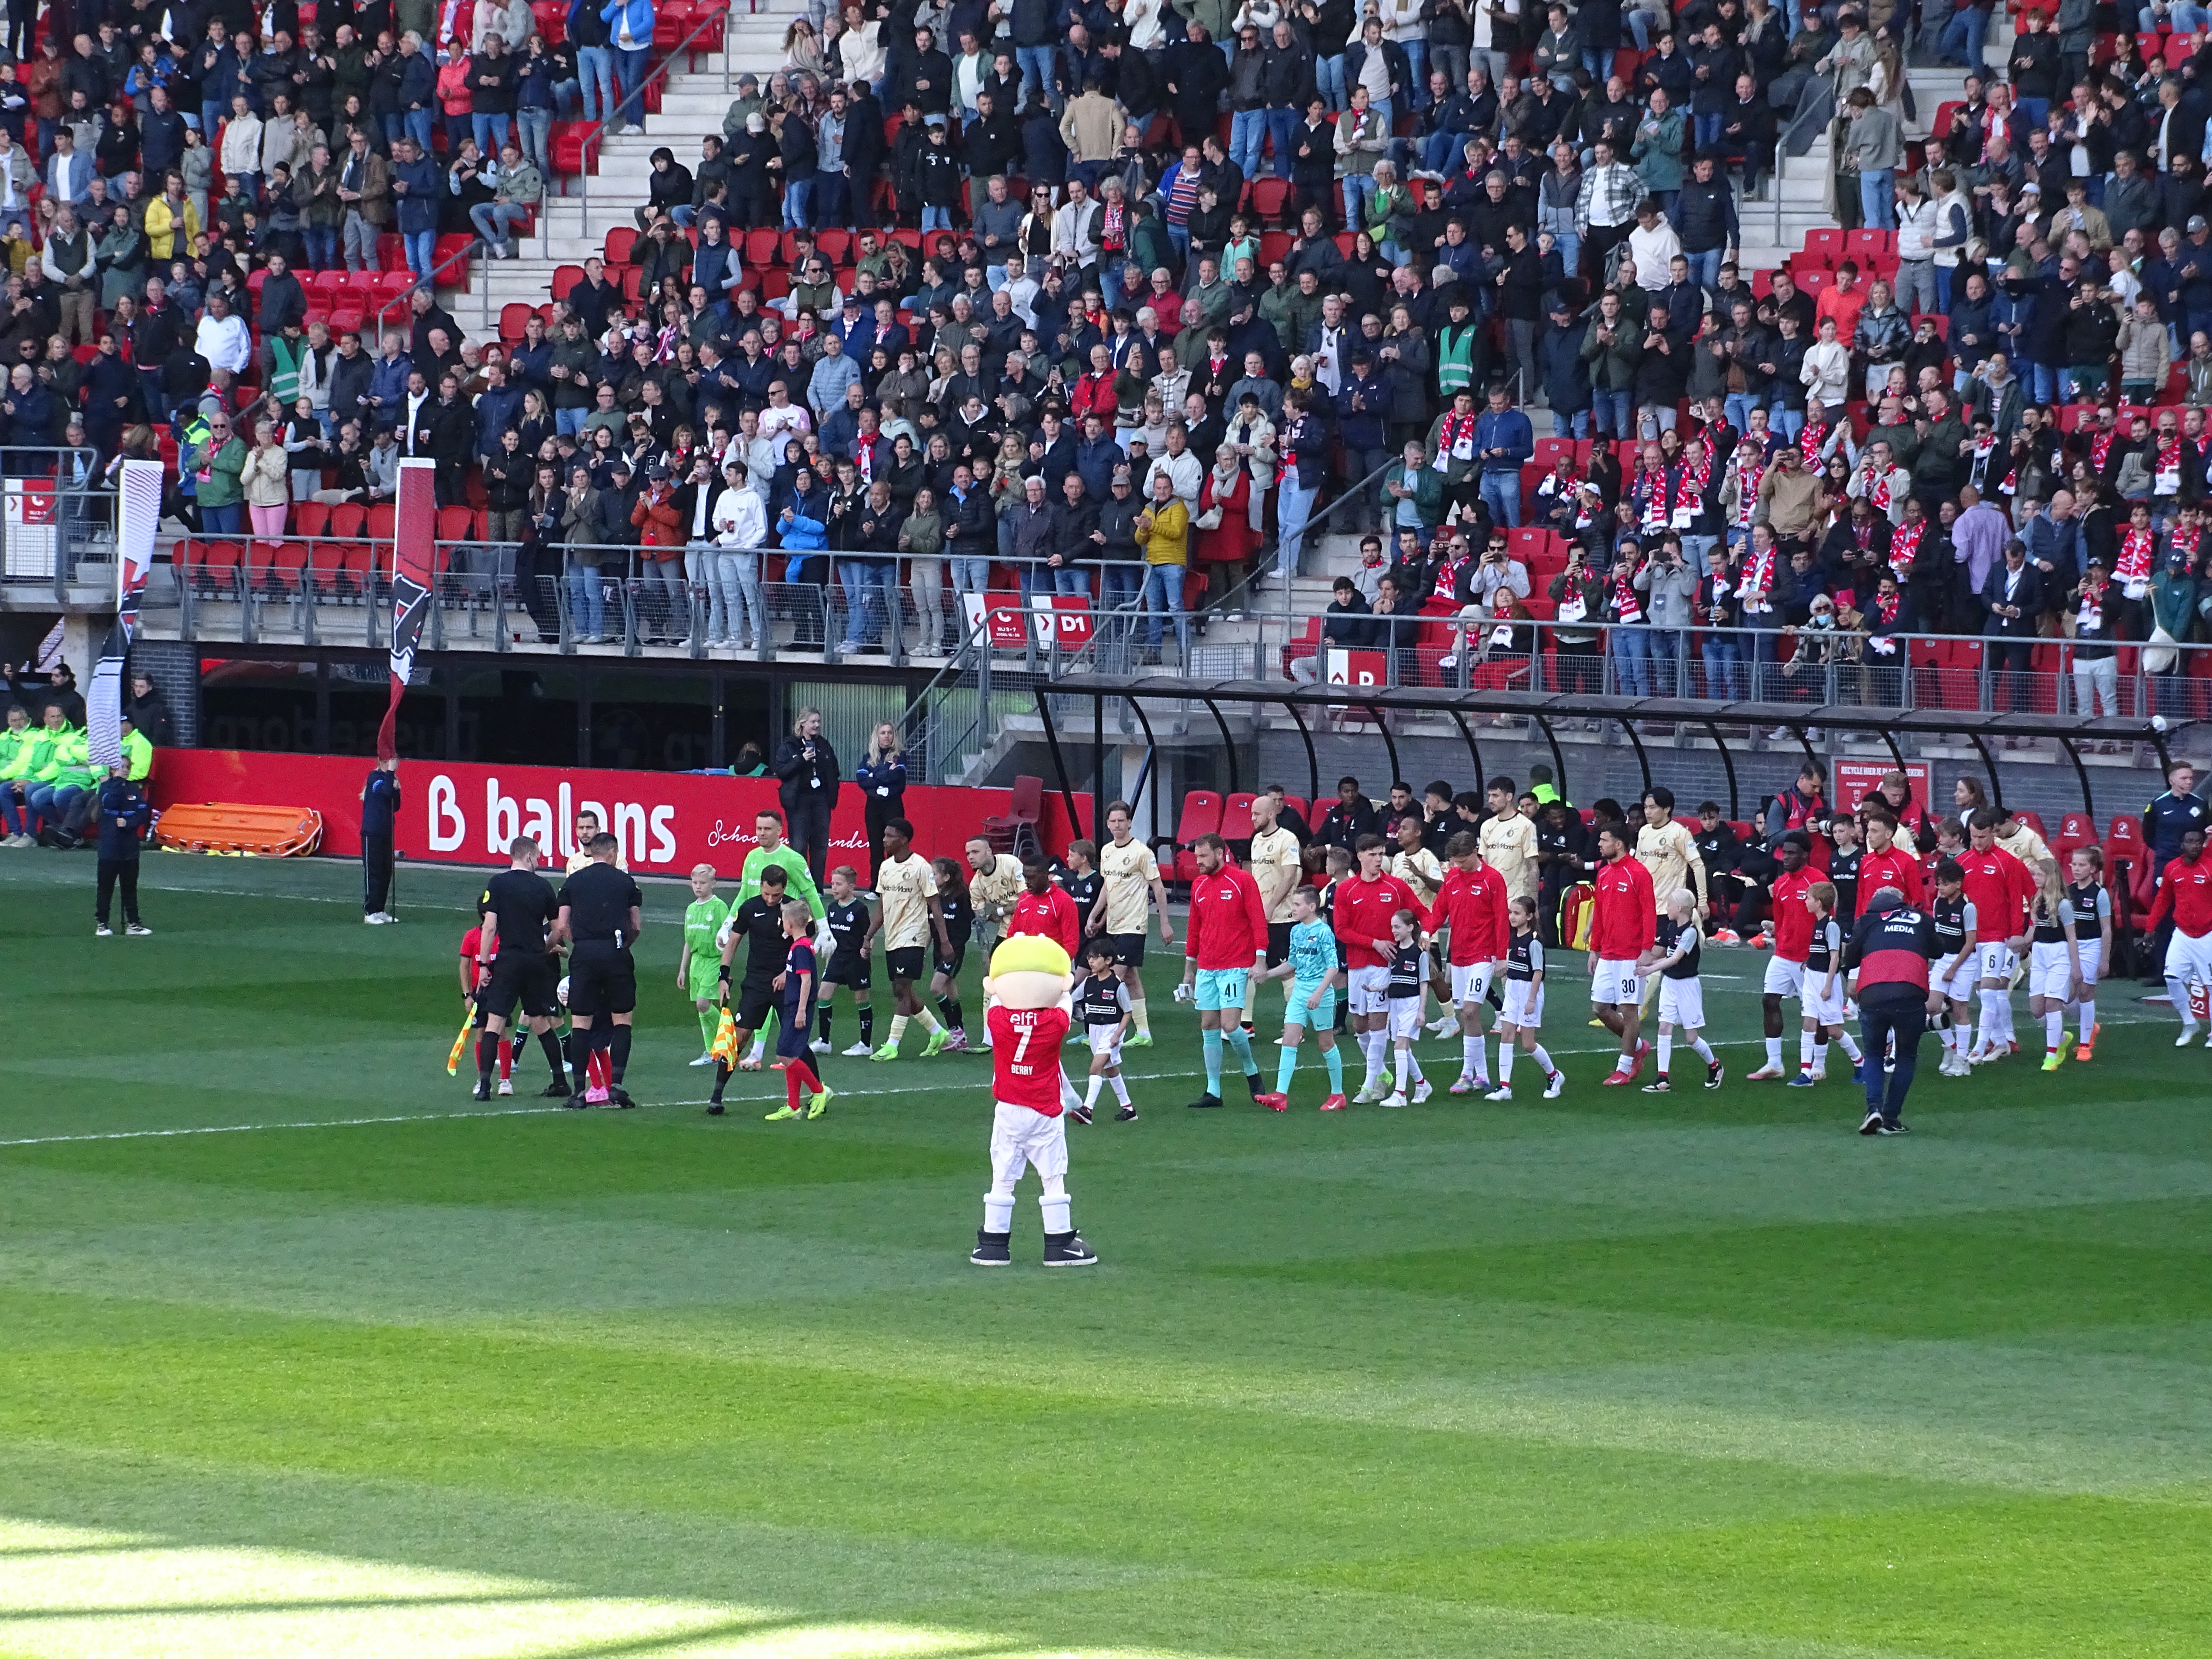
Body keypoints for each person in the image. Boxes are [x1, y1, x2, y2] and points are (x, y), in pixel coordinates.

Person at [970, 934, 1097, 1268]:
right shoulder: (1054, 1023)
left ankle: (992, 1245)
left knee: (1003, 1177)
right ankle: (1059, 1243)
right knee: (1053, 1177)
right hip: (1044, 1110)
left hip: (1009, 1110)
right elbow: (1064, 1001)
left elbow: (996, 1000)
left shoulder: (996, 1021)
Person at [1176, 832, 1272, 1111]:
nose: (1199, 862)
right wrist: (1189, 970)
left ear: (1220, 853)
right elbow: (1194, 929)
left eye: (1203, 856)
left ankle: (1252, 1072)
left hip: (1235, 966)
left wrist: (1260, 959)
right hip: (1207, 966)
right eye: (1197, 857)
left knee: (1230, 1026)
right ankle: (1213, 1091)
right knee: (1208, 1025)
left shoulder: (1242, 881)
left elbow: (1258, 922)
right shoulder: (1199, 886)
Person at [557, 830, 645, 1108]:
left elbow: (562, 925)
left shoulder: (573, 882)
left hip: (584, 954)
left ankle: (579, 1093)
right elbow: (636, 925)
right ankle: (617, 1086)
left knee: (581, 1022)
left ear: (592, 852)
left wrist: (582, 943)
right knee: (622, 1020)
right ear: (612, 853)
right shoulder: (625, 882)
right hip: (616, 952)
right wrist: (622, 945)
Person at [1843, 884, 1939, 1135]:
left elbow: (1850, 959)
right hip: (1910, 992)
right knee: (1906, 1056)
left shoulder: (1867, 920)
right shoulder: (1923, 919)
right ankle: (1891, 1118)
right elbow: (1939, 950)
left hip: (1873, 993)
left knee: (1873, 1053)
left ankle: (1873, 1108)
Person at [1336, 832, 1424, 1105]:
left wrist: (1427, 934)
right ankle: (1388, 1076)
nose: (1378, 859)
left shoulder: (1396, 887)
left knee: (1377, 1026)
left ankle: (1369, 1085)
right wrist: (1374, 942)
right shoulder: (1346, 889)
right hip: (1358, 966)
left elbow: (1421, 912)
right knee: (1360, 1026)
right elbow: (1341, 931)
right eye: (1372, 854)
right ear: (1359, 856)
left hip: (1386, 968)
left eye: (1381, 854)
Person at [473, 835, 562, 1103]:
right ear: (527, 856)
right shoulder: (544, 886)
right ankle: (560, 1081)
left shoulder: (498, 884)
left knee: (495, 1022)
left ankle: (486, 1085)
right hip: (536, 962)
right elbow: (558, 930)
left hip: (509, 961)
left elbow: (489, 928)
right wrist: (544, 950)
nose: (539, 860)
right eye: (537, 856)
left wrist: (484, 964)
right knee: (540, 1021)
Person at [1423, 829, 1509, 1096]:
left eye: (1463, 860)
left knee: (1471, 1011)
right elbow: (1440, 909)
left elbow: (1501, 918)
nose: (1458, 865)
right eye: (1455, 861)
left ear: (1475, 852)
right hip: (1458, 955)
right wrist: (1427, 932)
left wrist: (1502, 957)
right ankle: (1481, 1075)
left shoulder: (1492, 879)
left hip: (1482, 955)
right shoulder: (1452, 878)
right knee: (1466, 1015)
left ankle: (1465, 1073)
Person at [707, 863, 796, 1112]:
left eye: (776, 895)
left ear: (784, 889)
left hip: (785, 982)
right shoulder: (750, 908)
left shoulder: (792, 910)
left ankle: (817, 1092)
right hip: (756, 983)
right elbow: (733, 941)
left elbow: (803, 944)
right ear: (761, 887)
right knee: (739, 1037)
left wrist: (788, 973)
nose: (770, 899)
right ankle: (717, 1095)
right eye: (767, 893)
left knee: (794, 1040)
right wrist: (723, 976)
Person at [869, 818, 954, 1059]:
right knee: (901, 989)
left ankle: (892, 1045)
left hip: (914, 935)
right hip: (893, 936)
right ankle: (938, 1032)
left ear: (904, 839)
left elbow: (934, 905)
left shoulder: (921, 867)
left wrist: (944, 941)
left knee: (902, 987)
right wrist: (869, 935)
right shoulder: (885, 867)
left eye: (889, 836)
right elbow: (882, 905)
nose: (884, 839)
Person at [1090, 800, 1171, 1046]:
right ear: (1108, 824)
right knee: (1131, 979)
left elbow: (1157, 886)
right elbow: (1107, 886)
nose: (1117, 825)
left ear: (1129, 823)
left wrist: (1165, 922)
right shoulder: (1106, 851)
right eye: (1113, 821)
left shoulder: (1142, 853)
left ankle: (1109, 1032)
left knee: (1111, 977)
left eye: (1121, 821)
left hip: (1134, 925)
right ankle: (1144, 1034)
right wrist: (1095, 915)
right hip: (1113, 924)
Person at [1958, 808, 2035, 1064]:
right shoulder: (1963, 863)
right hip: (1971, 939)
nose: (1977, 841)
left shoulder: (2008, 862)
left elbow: (2021, 900)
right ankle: (2003, 1041)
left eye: (1982, 836)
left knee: (1992, 992)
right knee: (1982, 992)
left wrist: (2018, 934)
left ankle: (1979, 1047)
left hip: (1998, 937)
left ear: (1993, 833)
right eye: (1973, 837)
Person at [1263, 884, 1347, 1112]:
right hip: (1300, 993)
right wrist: (1267, 975)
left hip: (1319, 995)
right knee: (1290, 1041)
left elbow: (1333, 966)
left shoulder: (1323, 932)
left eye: (1297, 904)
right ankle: (1280, 1095)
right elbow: (1293, 963)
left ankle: (1338, 1095)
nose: (1293, 909)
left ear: (1312, 907)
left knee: (1326, 1043)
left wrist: (1319, 993)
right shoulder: (1296, 931)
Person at [1589, 821, 1657, 1083]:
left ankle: (1624, 1067)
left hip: (1631, 956)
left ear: (1618, 844)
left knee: (1630, 1011)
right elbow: (1601, 916)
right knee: (1600, 1009)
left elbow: (1649, 913)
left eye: (1604, 840)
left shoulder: (1638, 873)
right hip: (1608, 954)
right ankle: (1639, 1047)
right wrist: (1594, 950)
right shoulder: (1604, 874)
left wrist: (1646, 949)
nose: (1599, 844)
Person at [1746, 832, 1817, 1080]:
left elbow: (1828, 920)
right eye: (1783, 853)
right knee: (1769, 1001)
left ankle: (1818, 1064)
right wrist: (1776, 936)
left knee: (1813, 1011)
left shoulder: (1818, 883)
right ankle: (1774, 1063)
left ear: (1805, 855)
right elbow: (1781, 919)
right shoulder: (1781, 884)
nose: (1785, 858)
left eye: (1791, 853)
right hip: (1783, 954)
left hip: (1809, 958)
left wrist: (1817, 953)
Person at [1638, 887, 1720, 1093]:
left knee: (1691, 1038)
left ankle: (1715, 1066)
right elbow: (1662, 951)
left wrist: (1649, 969)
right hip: (1670, 984)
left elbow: (1674, 959)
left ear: (1680, 908)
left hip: (1687, 987)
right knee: (1664, 1028)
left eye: (1669, 905)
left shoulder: (1690, 932)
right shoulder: (1671, 927)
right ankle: (1662, 1078)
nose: (1667, 909)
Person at [1487, 895, 1566, 1100]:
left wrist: (1531, 1000)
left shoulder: (1533, 942)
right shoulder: (1512, 937)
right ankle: (1505, 1087)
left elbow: (1538, 972)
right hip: (1512, 990)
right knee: (1506, 1035)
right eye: (1511, 913)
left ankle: (1554, 1075)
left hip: (1529, 991)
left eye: (1517, 913)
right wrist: (1505, 969)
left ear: (1529, 916)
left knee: (1528, 1044)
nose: (1512, 917)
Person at [1788, 879, 1866, 1086]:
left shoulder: (1831, 926)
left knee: (1833, 1030)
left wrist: (1829, 985)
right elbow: (1820, 951)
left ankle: (1861, 1063)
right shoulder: (1818, 922)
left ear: (1820, 902)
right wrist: (1809, 963)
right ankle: (1805, 1073)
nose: (1806, 901)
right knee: (1808, 1024)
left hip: (1824, 979)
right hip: (1813, 977)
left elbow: (1834, 957)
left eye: (1809, 898)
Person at [2147, 826, 2212, 1048]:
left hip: (2207, 934)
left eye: (2198, 842)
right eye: (2189, 842)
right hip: (2182, 933)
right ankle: (2189, 1023)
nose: (2194, 846)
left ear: (2202, 844)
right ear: (2182, 845)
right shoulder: (2172, 869)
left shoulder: (2210, 867)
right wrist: (2150, 927)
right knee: (2172, 978)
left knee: (2211, 985)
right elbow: (2163, 899)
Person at [2024, 858, 2084, 1073]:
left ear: (2051, 876)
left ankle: (2051, 1055)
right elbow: (2035, 929)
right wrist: (2023, 943)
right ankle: (2061, 1038)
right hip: (2040, 954)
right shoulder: (2037, 900)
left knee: (2052, 1004)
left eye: (2039, 875)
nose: (2035, 879)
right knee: (2037, 1010)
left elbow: (2072, 937)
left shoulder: (2064, 905)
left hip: (2058, 953)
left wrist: (2076, 968)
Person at [772, 705, 841, 883]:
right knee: (799, 845)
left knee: (820, 846)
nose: (817, 725)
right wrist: (800, 760)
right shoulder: (789, 745)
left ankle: (817, 887)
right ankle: (799, 884)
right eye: (813, 722)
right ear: (803, 723)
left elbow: (834, 769)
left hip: (821, 799)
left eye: (818, 722)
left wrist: (831, 792)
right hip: (799, 800)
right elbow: (781, 771)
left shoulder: (823, 744)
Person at [1071, 937, 1136, 1124]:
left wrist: (1117, 1035)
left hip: (1111, 1030)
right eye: (1090, 958)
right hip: (1095, 1030)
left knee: (1096, 1068)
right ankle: (1129, 1109)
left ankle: (1087, 1110)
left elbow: (1128, 1012)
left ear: (1108, 961)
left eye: (1096, 958)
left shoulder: (1117, 985)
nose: (1091, 961)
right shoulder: (1089, 983)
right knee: (1111, 1070)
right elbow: (1072, 1000)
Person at [813, 864, 876, 1057]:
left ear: (851, 887)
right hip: (837, 959)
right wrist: (826, 958)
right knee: (823, 995)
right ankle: (824, 1041)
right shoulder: (832, 909)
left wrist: (867, 950)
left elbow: (869, 936)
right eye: (832, 884)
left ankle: (866, 1044)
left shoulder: (860, 910)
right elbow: (829, 937)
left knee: (861, 999)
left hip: (856, 961)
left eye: (839, 884)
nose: (834, 888)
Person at [1928, 857, 1980, 1079]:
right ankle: (1950, 1046)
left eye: (1945, 884)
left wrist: (1953, 969)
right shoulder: (1938, 903)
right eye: (1938, 883)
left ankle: (1962, 1059)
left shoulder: (1968, 908)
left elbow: (1971, 943)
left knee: (1959, 1009)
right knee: (1932, 1006)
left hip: (1964, 961)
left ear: (1958, 884)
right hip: (1943, 959)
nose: (1940, 888)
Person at [677, 862, 729, 1064]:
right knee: (701, 1009)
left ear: (713, 884)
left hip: (714, 961)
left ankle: (730, 1038)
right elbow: (689, 941)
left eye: (703, 883)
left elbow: (728, 935)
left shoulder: (719, 907)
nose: (698, 887)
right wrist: (683, 969)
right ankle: (712, 1052)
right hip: (697, 963)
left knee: (703, 1004)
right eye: (695, 882)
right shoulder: (691, 909)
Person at [91, 765, 152, 937]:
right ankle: (102, 923)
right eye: (121, 768)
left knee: (130, 887)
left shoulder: (135, 789)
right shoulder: (105, 788)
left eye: (128, 767)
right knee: (105, 887)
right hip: (110, 846)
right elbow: (111, 802)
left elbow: (142, 813)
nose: (125, 770)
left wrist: (129, 823)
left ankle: (133, 923)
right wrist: (117, 782)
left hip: (129, 847)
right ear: (112, 770)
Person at [2064, 847, 2112, 1064]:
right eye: (2073, 864)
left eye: (2082, 865)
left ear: (2093, 869)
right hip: (2070, 945)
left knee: (2085, 992)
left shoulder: (2099, 893)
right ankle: (2090, 1026)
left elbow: (2106, 929)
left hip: (2091, 945)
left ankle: (2085, 1044)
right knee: (2065, 997)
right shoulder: (2068, 891)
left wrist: (2105, 958)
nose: (2076, 869)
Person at [360, 754, 399, 922]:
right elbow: (385, 792)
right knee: (374, 872)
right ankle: (370, 911)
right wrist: (391, 775)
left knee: (386, 871)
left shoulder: (391, 779)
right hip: (372, 833)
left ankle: (380, 909)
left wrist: (397, 789)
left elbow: (395, 806)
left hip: (386, 832)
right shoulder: (375, 778)